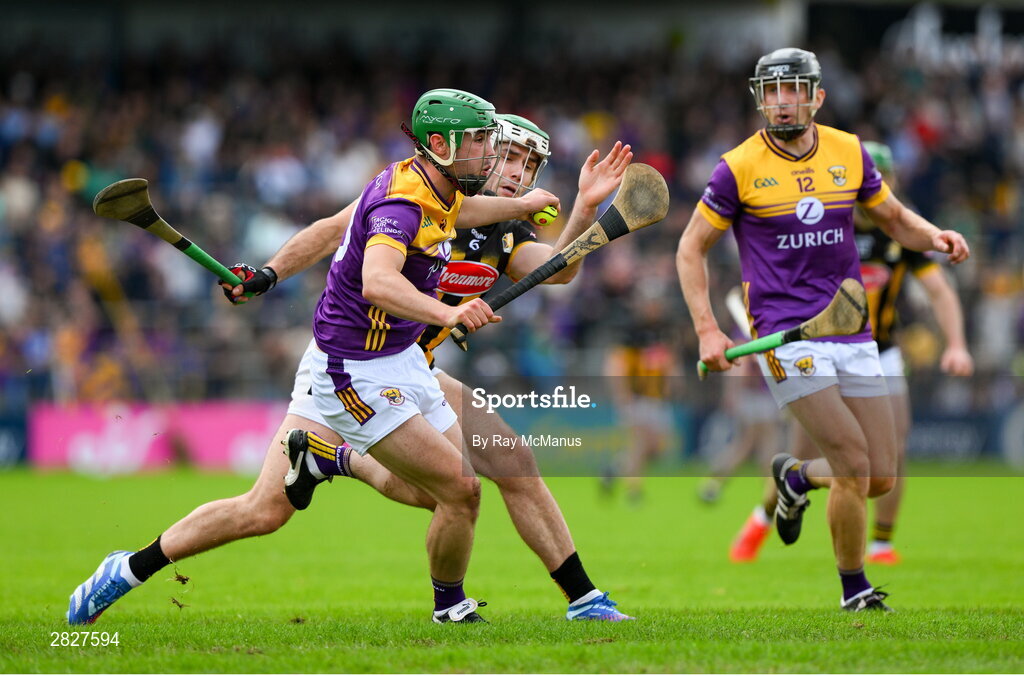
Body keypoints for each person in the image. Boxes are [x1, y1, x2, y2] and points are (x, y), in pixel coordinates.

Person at [67, 89, 560, 625]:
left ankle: (129, 567)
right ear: (440, 145)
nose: (490, 155)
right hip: (355, 372)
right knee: (461, 490)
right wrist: (449, 315)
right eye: (480, 143)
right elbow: (377, 281)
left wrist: (269, 272)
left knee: (264, 509)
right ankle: (445, 602)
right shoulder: (402, 203)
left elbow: (340, 228)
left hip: (376, 360)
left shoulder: (427, 182)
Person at [283, 113, 635, 621]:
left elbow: (559, 270)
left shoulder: (504, 232)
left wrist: (583, 207)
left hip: (419, 369)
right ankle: (335, 462)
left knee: (512, 462)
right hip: (362, 367)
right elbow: (334, 240)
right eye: (511, 156)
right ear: (481, 151)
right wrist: (270, 274)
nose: (518, 172)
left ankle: (583, 599)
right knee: (444, 492)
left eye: (530, 164)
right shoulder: (415, 201)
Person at [675, 48, 969, 611]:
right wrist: (708, 331)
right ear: (760, 98)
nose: (783, 103)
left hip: (851, 327)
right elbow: (691, 249)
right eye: (772, 91)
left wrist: (936, 236)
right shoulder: (736, 167)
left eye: (794, 91)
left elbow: (894, 218)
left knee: (880, 474)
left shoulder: (849, 152)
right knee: (854, 464)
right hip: (787, 333)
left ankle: (796, 478)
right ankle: (855, 589)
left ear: (817, 97)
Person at [728, 140, 974, 565]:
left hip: (881, 351)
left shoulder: (897, 231)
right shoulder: (822, 222)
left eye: (885, 177)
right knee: (804, 449)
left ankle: (881, 542)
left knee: (893, 447)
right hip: (817, 349)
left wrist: (956, 344)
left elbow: (939, 289)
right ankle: (761, 518)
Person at [600, 279, 680, 505]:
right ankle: (634, 491)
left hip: (657, 398)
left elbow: (669, 359)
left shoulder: (665, 328)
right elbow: (615, 364)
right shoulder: (630, 330)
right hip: (636, 396)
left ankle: (614, 470)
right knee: (639, 443)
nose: (654, 306)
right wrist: (621, 393)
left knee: (656, 449)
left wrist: (673, 383)